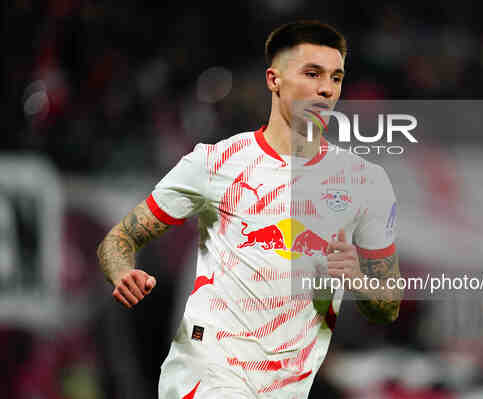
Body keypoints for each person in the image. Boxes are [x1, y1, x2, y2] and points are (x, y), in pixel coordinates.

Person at [97, 20, 401, 399]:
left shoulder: (364, 182)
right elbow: (122, 239)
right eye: (311, 74)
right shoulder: (213, 163)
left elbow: (388, 305)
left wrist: (356, 277)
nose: (325, 89)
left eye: (335, 78)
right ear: (274, 81)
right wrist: (122, 271)